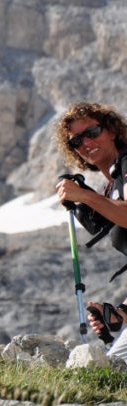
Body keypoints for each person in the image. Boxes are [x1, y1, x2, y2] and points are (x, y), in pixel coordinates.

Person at [54, 101, 127, 359]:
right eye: (76, 141)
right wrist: (120, 315)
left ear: (112, 131)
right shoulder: (113, 187)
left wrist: (85, 196)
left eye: (92, 133)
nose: (86, 143)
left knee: (115, 369)